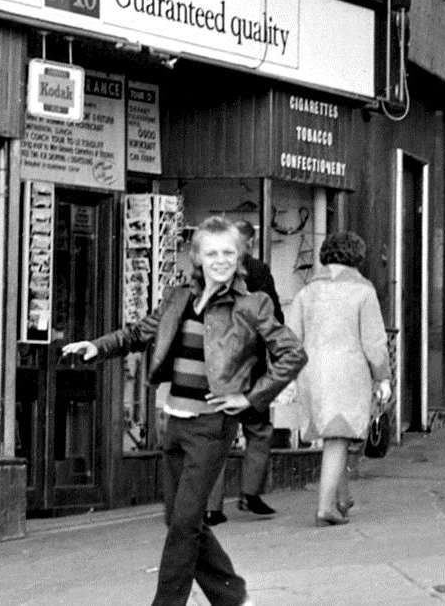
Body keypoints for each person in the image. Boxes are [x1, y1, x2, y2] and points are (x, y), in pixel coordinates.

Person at [62, 214, 305, 606]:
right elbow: (139, 333)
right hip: (173, 420)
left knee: (185, 523)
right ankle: (233, 597)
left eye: (229, 252)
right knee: (179, 518)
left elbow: (293, 353)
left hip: (212, 425)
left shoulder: (252, 304)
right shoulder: (178, 298)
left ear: (240, 256)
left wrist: (250, 397)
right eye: (212, 253)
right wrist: (98, 346)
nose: (221, 260)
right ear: (197, 257)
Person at [287, 231, 391, 527]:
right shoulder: (362, 291)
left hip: (311, 371)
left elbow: (290, 338)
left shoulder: (307, 292)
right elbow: (374, 341)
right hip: (347, 370)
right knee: (338, 435)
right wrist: (383, 377)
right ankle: (325, 508)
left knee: (334, 435)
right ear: (358, 256)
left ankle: (342, 498)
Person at [206, 220, 283, 525]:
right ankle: (250, 494)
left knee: (217, 434)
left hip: (215, 363)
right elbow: (273, 315)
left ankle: (212, 507)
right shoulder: (257, 270)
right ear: (249, 243)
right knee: (258, 429)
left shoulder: (206, 269)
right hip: (250, 363)